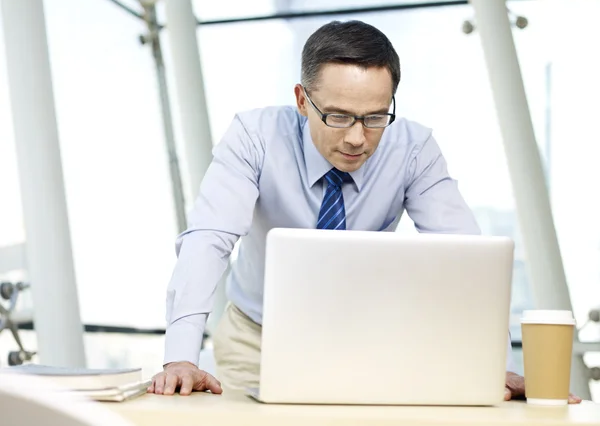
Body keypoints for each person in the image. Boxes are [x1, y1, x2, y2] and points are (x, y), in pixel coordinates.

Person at [148, 20, 581, 404]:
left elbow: (467, 261)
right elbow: (208, 240)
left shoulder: (413, 148)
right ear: (302, 100)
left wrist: (494, 364)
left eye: (375, 117)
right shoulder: (253, 137)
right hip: (258, 340)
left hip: (367, 341)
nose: (358, 138)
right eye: (338, 116)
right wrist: (181, 357)